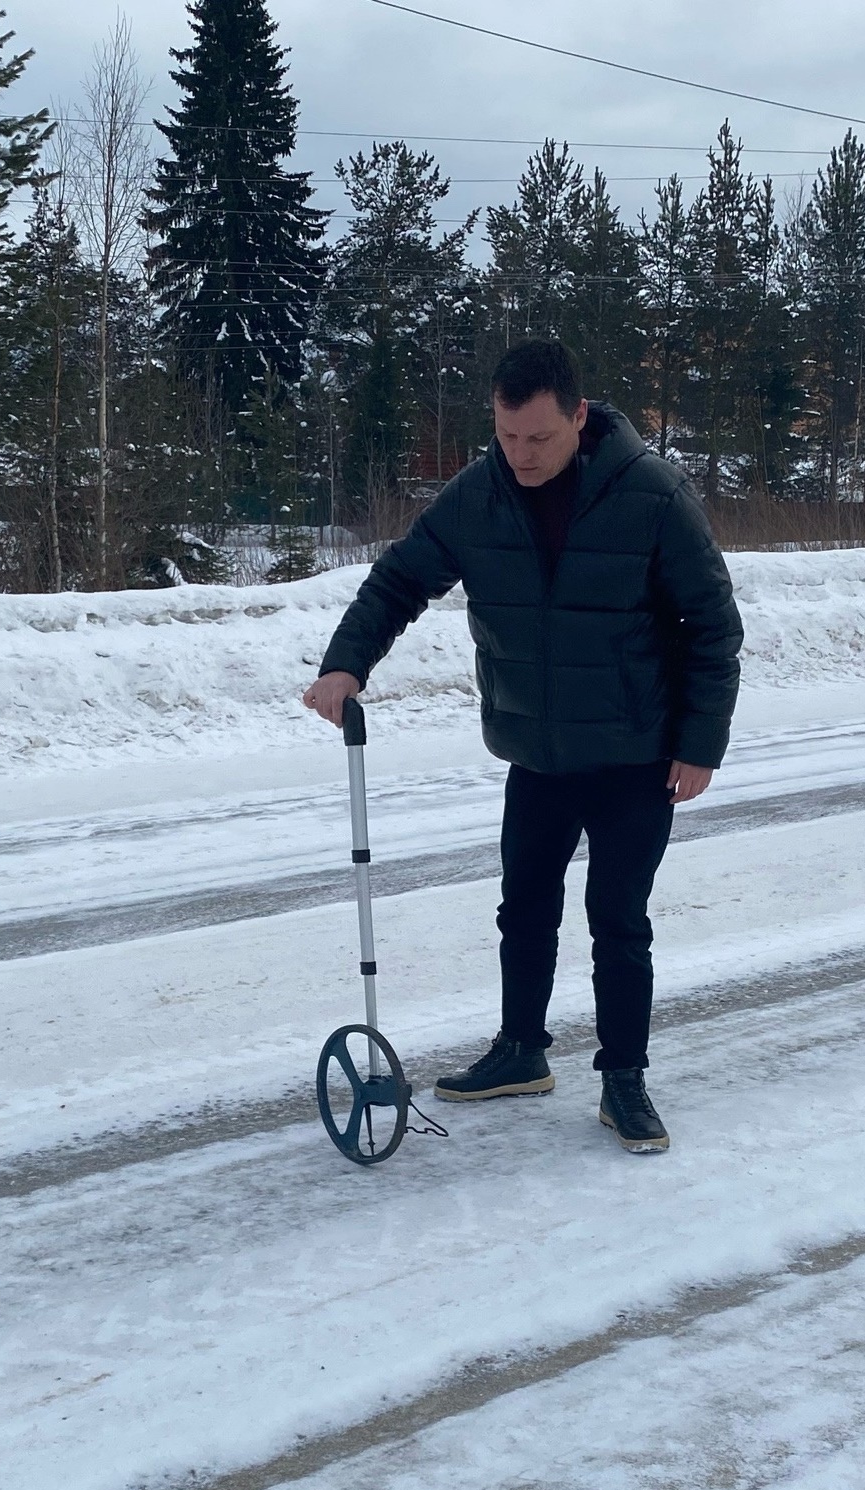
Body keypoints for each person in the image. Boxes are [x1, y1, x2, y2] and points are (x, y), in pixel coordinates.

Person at [302, 339, 742, 1155]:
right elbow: (401, 579)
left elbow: (713, 626)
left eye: (538, 438)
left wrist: (700, 744)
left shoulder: (651, 494)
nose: (522, 455)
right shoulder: (480, 496)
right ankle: (521, 1050)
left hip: (635, 754)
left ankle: (624, 1080)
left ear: (578, 417)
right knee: (524, 909)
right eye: (507, 438)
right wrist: (345, 663)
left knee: (617, 920)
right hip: (537, 752)